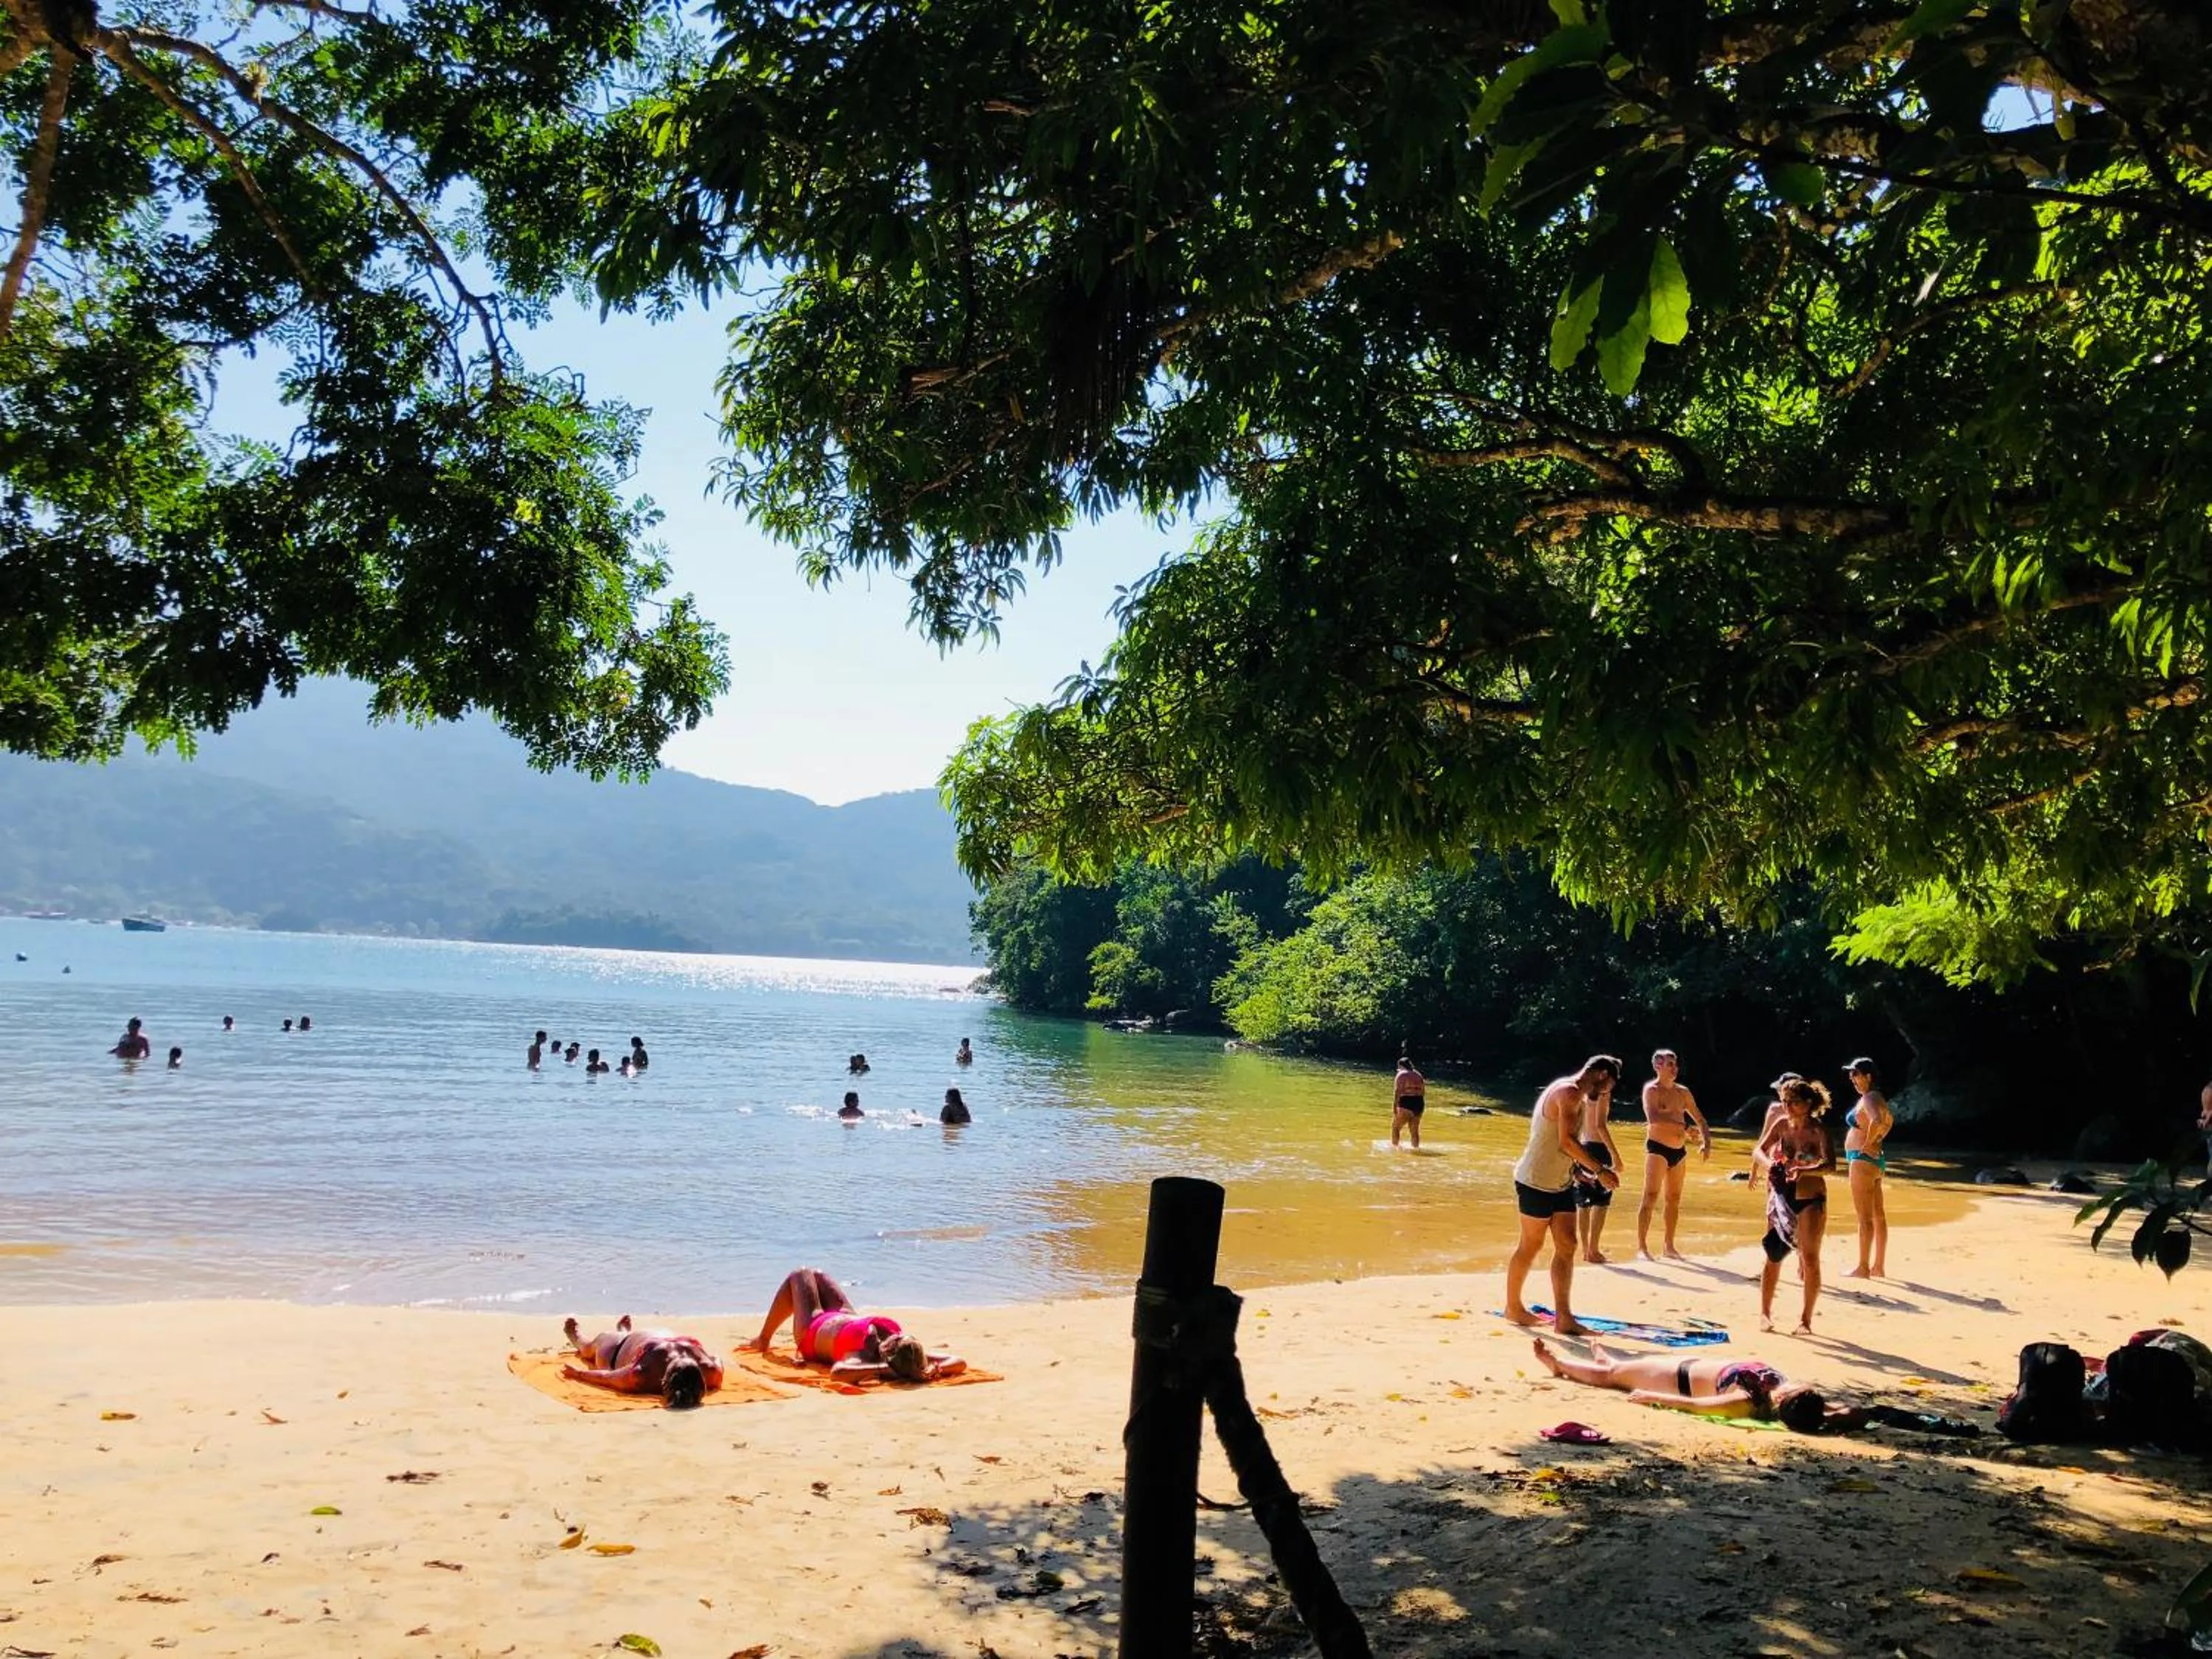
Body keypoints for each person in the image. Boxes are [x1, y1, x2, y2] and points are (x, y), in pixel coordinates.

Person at [1505, 1057, 1623, 1335]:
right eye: (1607, 1087)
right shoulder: (1568, 1093)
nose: (1606, 1093)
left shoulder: (1578, 1098)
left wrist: (1578, 1173)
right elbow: (1566, 1142)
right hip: (1534, 1181)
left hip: (1561, 1183)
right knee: (1531, 1245)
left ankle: (1564, 1317)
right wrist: (1600, 1170)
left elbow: (1565, 1146)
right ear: (1601, 1074)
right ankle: (1513, 1307)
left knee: (1568, 1244)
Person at [1529, 1338, 1857, 1433]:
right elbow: (1840, 1411)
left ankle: (1558, 1365)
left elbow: (1698, 1407)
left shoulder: (1747, 1401)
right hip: (1694, 1364)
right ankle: (1603, 1357)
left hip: (1676, 1380)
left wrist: (1652, 1397)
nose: (1795, 1385)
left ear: (1783, 1399)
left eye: (1792, 1389)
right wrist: (1836, 1416)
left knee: (1612, 1376)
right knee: (1619, 1368)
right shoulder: (1804, 1402)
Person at [746, 1268, 964, 1382]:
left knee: (800, 1275)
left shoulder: (863, 1356)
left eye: (896, 1341)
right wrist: (931, 1368)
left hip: (811, 1330)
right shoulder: (910, 1356)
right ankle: (763, 1338)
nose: (896, 1336)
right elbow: (958, 1362)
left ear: (888, 1352)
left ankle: (763, 1339)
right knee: (818, 1275)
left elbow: (839, 1372)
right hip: (845, 1317)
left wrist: (886, 1370)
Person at [1756, 1077, 1835, 1334]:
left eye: (1794, 1102)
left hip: (1811, 1198)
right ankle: (1765, 1314)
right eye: (1785, 1101)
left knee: (1810, 1258)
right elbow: (1759, 1150)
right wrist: (1771, 1166)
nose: (1788, 1106)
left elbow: (1830, 1165)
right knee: (1773, 1254)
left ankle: (1806, 1320)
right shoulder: (1781, 1125)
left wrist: (1804, 1170)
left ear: (1808, 1104)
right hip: (1782, 1196)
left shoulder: (1818, 1130)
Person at [1637, 1049, 1711, 1260]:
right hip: (1657, 1148)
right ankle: (1642, 1247)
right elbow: (1653, 1117)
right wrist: (1684, 1126)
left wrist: (1707, 1143)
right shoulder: (1651, 1090)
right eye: (1669, 1063)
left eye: (1675, 1063)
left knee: (1674, 1199)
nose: (1674, 1067)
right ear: (1657, 1067)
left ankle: (1669, 1246)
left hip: (1679, 1150)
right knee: (1650, 1196)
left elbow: (1700, 1119)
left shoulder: (1683, 1092)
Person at [560, 1315, 723, 1408]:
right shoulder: (642, 1374)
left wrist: (579, 1374)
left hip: (637, 1344)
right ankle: (579, 1339)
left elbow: (608, 1377)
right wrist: (578, 1374)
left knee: (612, 1340)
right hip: (625, 1346)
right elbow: (607, 1377)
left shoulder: (710, 1370)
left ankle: (623, 1332)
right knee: (590, 1348)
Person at [1842, 1058, 1893, 1279]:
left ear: (1868, 1076)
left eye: (1856, 1074)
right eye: (1851, 1075)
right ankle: (1878, 1266)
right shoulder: (1878, 1098)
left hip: (1862, 1159)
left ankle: (1863, 1267)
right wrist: (1877, 1141)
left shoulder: (1870, 1098)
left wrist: (1867, 1144)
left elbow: (1878, 1119)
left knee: (1864, 1217)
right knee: (1878, 1215)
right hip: (1874, 1160)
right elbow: (1887, 1122)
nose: (1852, 1079)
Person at [1573, 1068, 1625, 1264]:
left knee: (1584, 1203)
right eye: (1613, 1080)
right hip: (1599, 1149)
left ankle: (1586, 1251)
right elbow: (1601, 1126)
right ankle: (1594, 1250)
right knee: (1601, 1203)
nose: (1614, 1084)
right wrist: (1616, 1156)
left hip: (1584, 1147)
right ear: (1604, 1076)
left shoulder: (1583, 1094)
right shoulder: (1603, 1094)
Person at [1391, 1055, 1427, 1150]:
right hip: (1419, 1102)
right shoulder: (1418, 1075)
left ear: (1401, 1066)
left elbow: (1398, 1090)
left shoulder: (1402, 1074)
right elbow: (1423, 1092)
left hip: (1407, 1101)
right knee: (1414, 1131)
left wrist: (1395, 1106)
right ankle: (1416, 1149)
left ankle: (1395, 1149)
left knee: (1396, 1127)